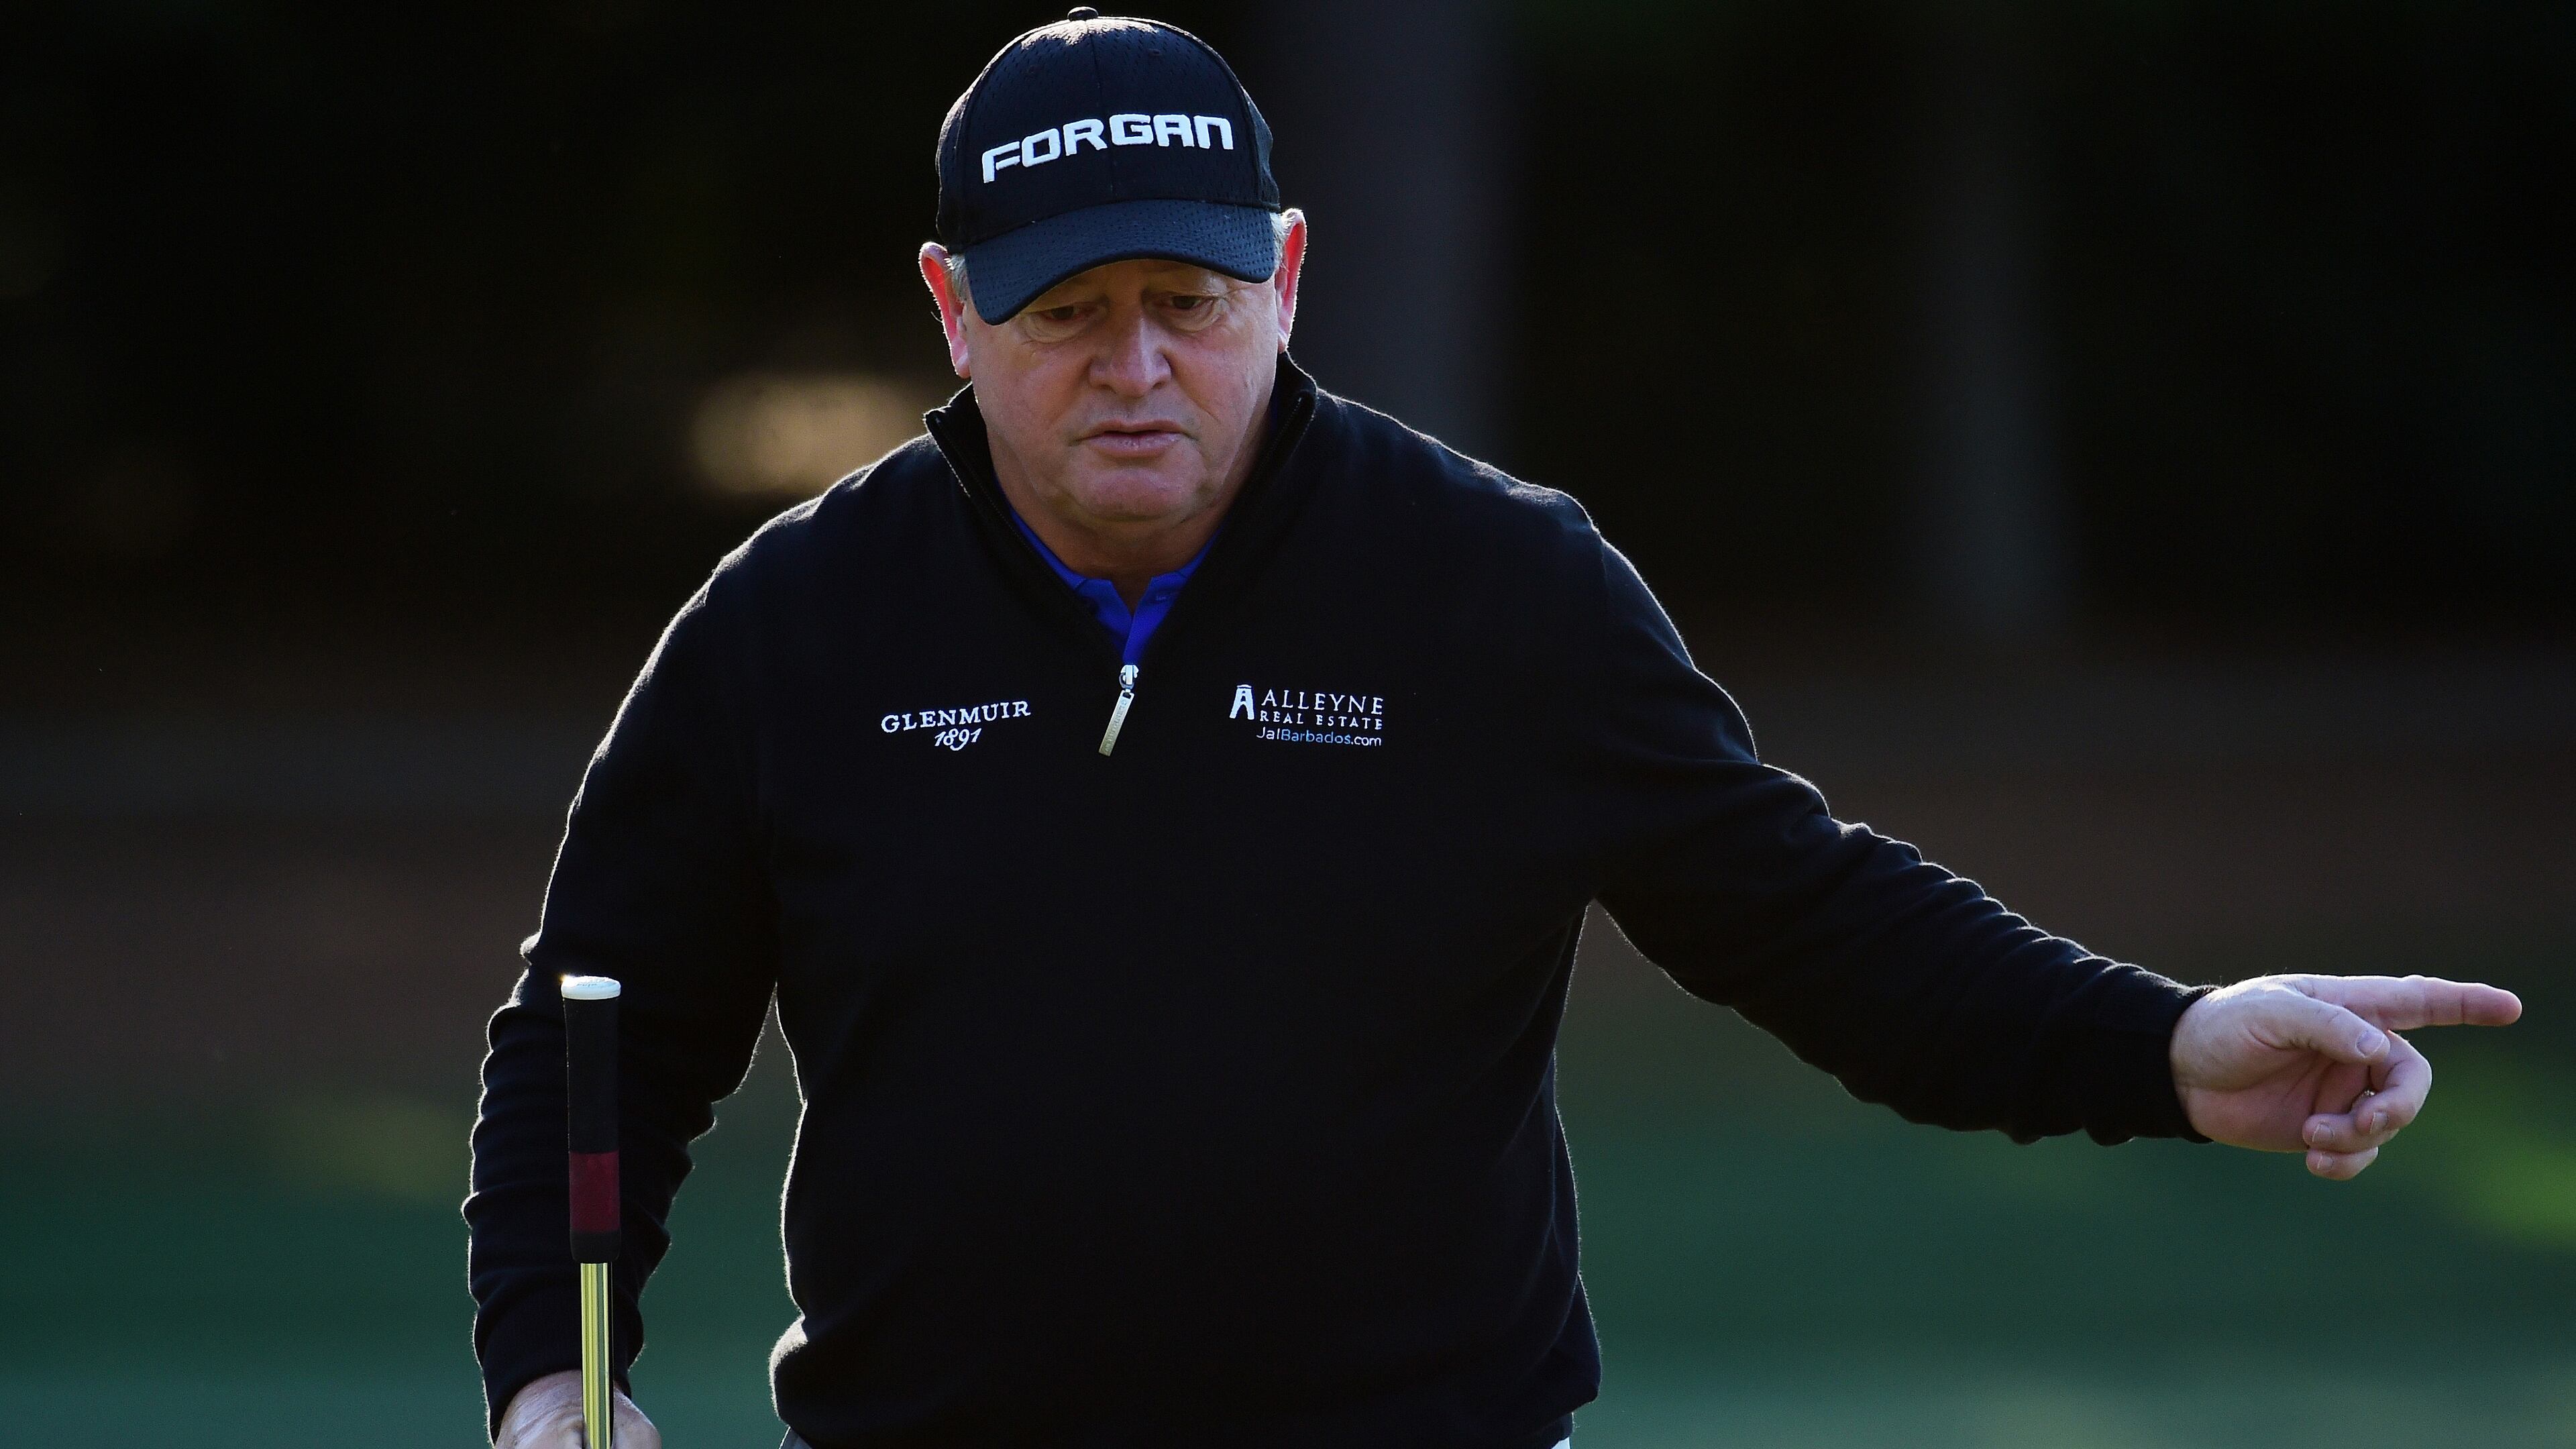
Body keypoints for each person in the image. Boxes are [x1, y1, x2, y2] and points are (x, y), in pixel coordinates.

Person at [466, 12, 2522, 1448]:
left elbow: (1811, 923)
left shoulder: (1492, 589)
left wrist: (2159, 1046)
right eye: (1063, 313)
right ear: (950, 307)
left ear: (1286, 273)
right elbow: (598, 1023)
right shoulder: (798, 625)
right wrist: (561, 1374)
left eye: (1186, 302)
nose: (1135, 368)